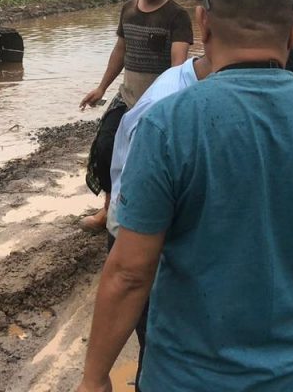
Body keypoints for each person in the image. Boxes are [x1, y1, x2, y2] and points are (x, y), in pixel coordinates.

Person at [77, 0, 293, 392]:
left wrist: (94, 378)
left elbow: (129, 272)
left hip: (182, 378)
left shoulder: (168, 123)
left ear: (203, 23)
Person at [104, 51, 212, 391]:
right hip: (142, 233)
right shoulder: (165, 108)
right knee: (158, 350)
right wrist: (95, 375)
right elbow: (130, 267)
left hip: (176, 232)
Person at [79, 0, 193, 231]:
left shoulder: (176, 16)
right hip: (127, 96)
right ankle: (108, 209)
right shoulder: (129, 9)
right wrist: (101, 87)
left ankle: (153, 216)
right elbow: (121, 49)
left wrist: (169, 103)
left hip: (157, 102)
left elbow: (178, 63)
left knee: (150, 161)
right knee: (106, 150)